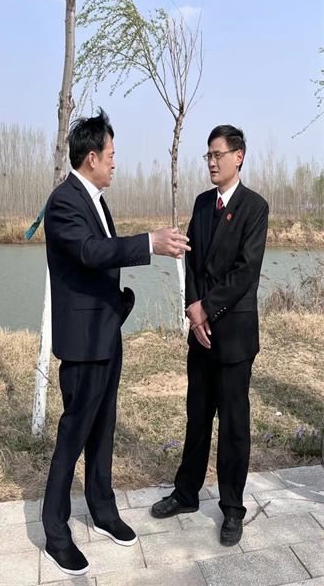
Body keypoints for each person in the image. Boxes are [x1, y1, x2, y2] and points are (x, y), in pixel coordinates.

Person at [42, 108, 190, 576]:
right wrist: (148, 243)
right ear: (91, 157)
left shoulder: (95, 200)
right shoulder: (64, 202)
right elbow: (90, 252)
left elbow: (102, 255)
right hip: (84, 343)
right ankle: (55, 533)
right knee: (74, 435)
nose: (114, 163)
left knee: (103, 430)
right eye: (110, 155)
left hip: (107, 334)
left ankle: (103, 510)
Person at [151, 125, 269, 547]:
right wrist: (192, 307)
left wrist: (207, 307)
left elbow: (245, 271)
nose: (212, 162)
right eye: (208, 155)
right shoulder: (202, 203)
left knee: (234, 425)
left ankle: (233, 508)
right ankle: (186, 493)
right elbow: (192, 262)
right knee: (197, 417)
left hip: (234, 335)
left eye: (218, 154)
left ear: (238, 156)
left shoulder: (255, 207)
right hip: (200, 334)